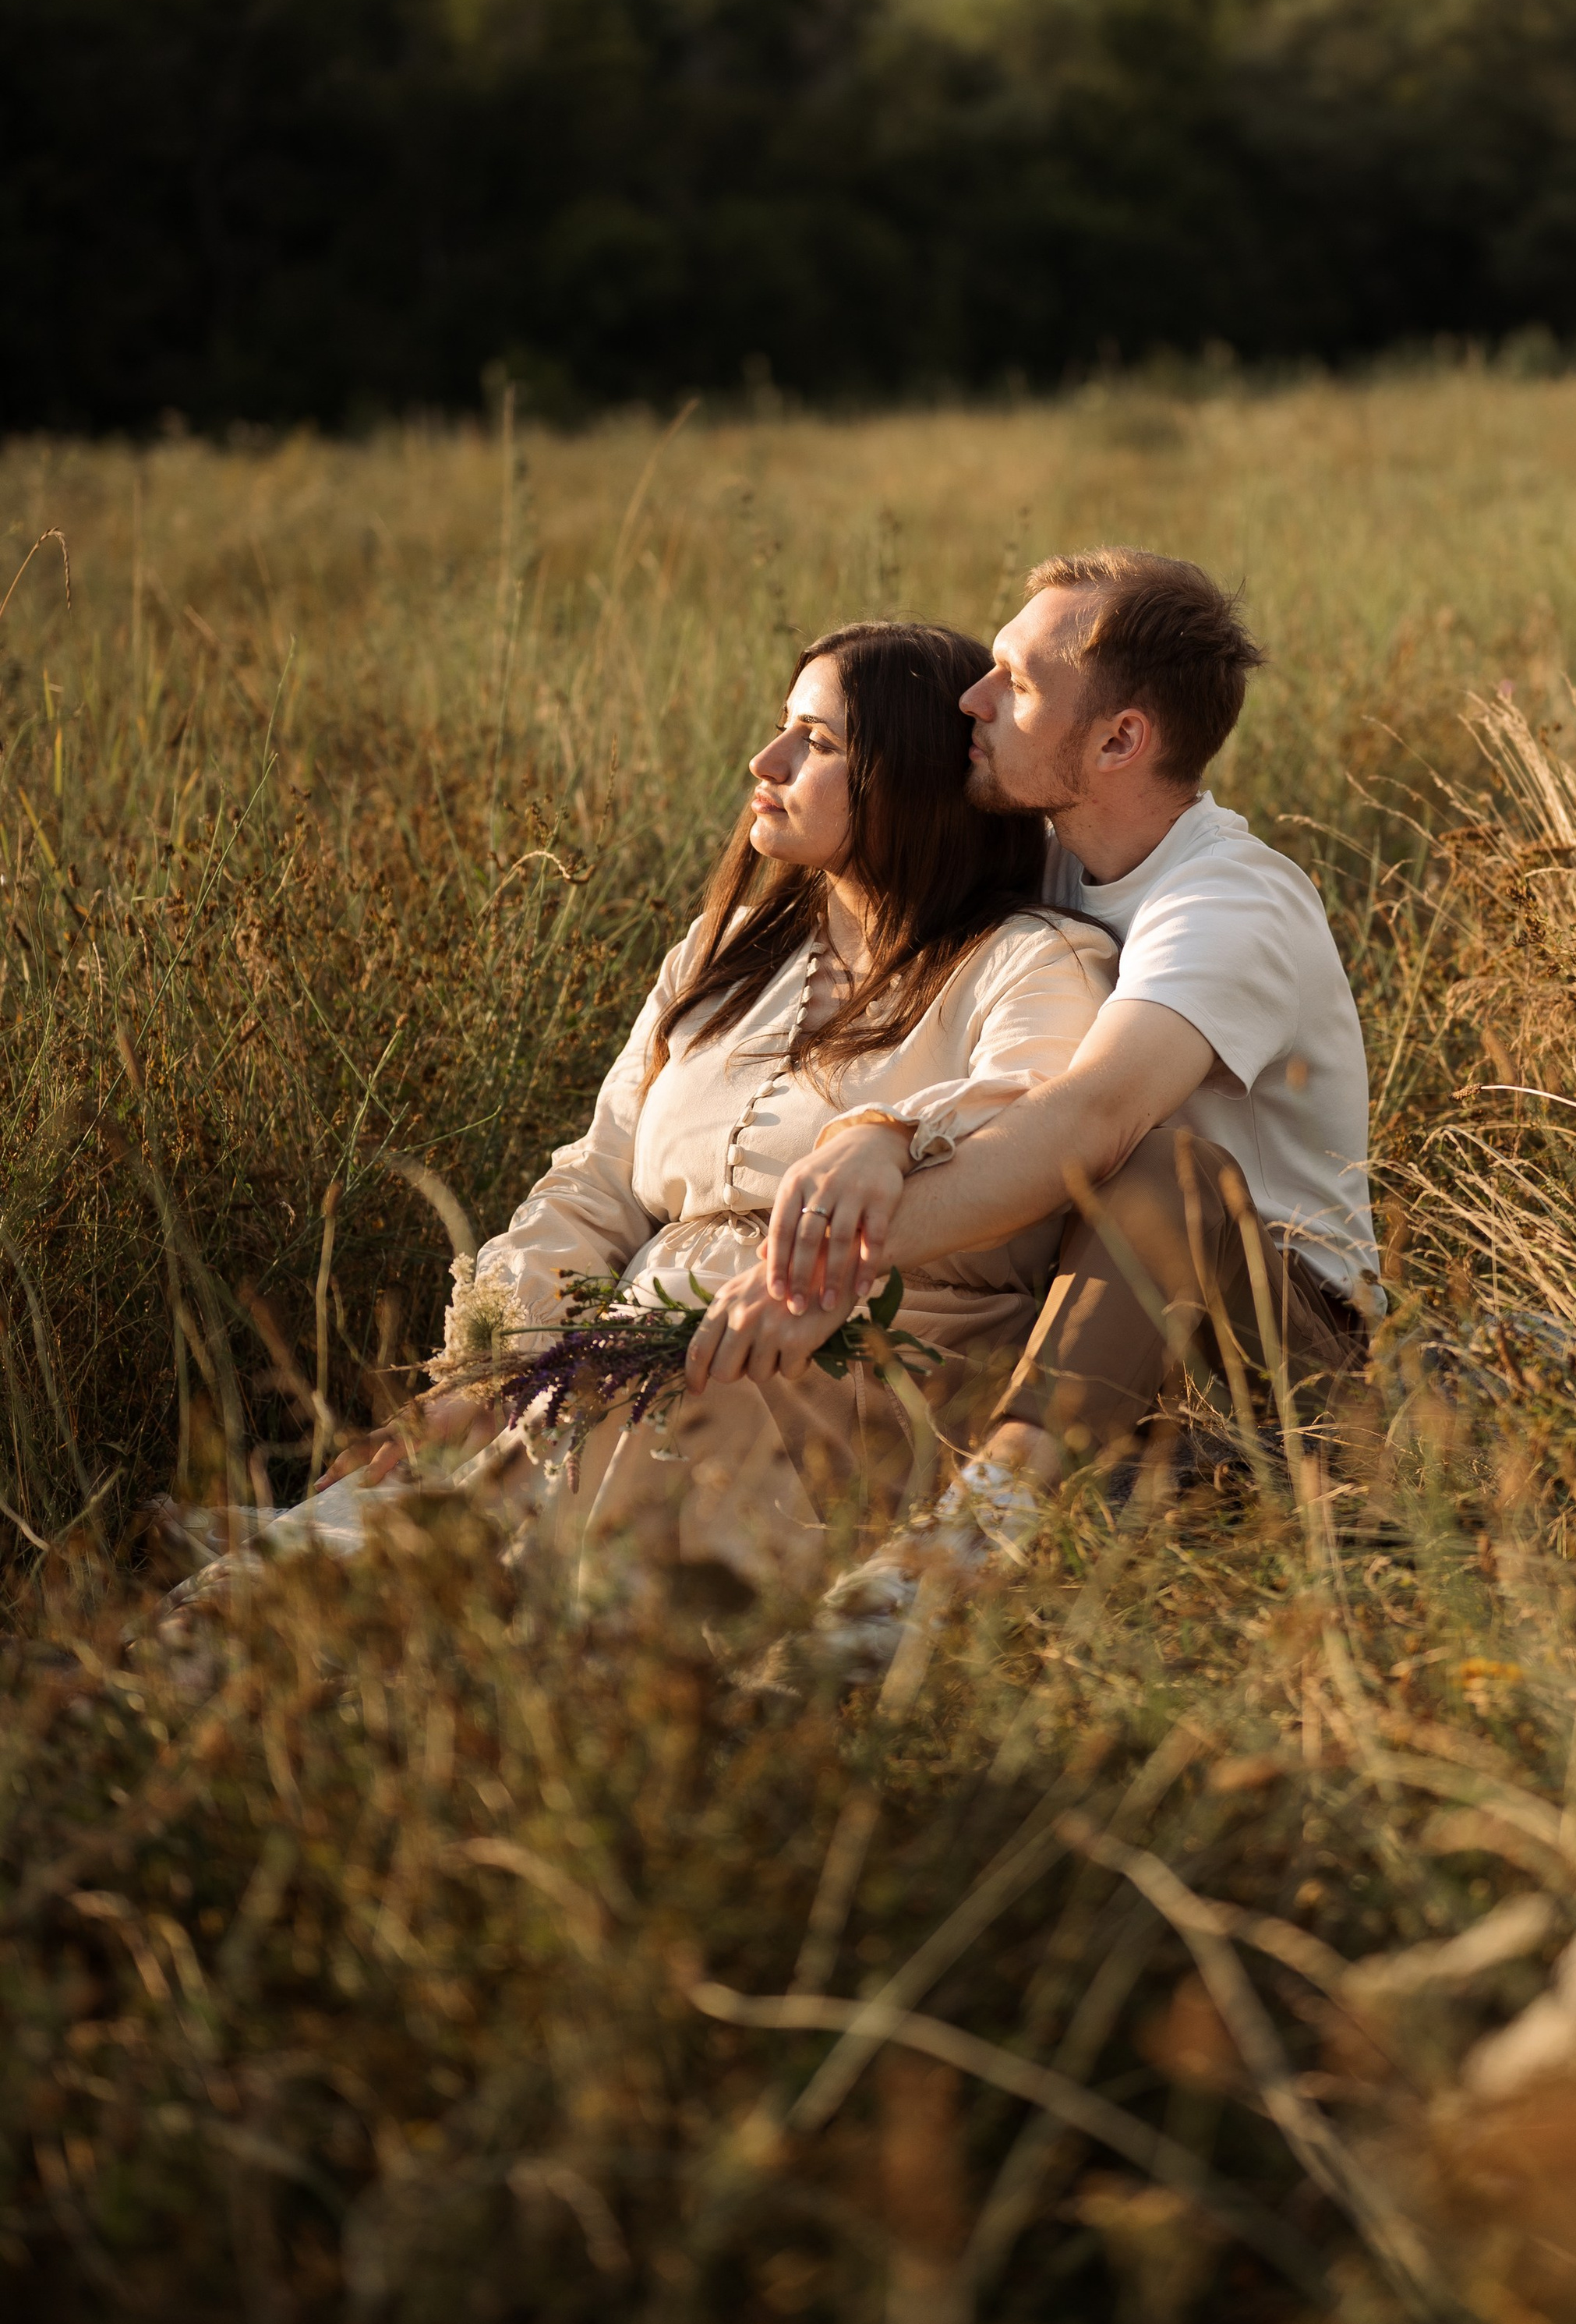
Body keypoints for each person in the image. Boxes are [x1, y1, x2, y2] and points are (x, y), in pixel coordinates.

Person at [320, 620, 1116, 1612]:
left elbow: (1025, 1121)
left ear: (907, 780)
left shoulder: (1033, 961)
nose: (766, 760)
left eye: (818, 743)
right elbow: (602, 1172)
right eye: (784, 728)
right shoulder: (725, 948)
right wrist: (485, 1376)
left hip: (865, 1383)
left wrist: (886, 1131)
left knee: (479, 1576)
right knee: (337, 1548)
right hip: (630, 1360)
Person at [682, 548, 1378, 1650]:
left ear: (1118, 741)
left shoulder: (1228, 904)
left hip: (1269, 1352)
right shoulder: (1051, 862)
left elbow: (1092, 1118)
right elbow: (978, 1066)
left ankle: (964, 1543)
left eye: (1015, 680)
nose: (973, 699)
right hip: (1077, 1321)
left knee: (1163, 1169)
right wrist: (882, 1127)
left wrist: (831, 1263)